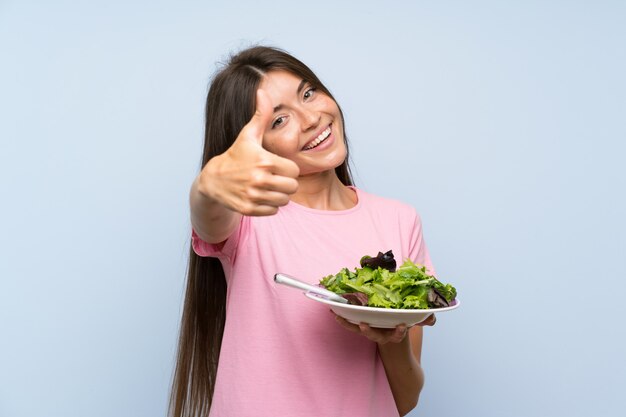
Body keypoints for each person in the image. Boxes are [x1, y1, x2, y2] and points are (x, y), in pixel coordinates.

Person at [169, 46, 437, 417]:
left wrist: (392, 333)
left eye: (308, 93)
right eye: (279, 120)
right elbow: (209, 215)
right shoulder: (250, 216)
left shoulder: (399, 220)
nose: (311, 118)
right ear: (254, 145)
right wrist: (207, 187)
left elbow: (405, 399)